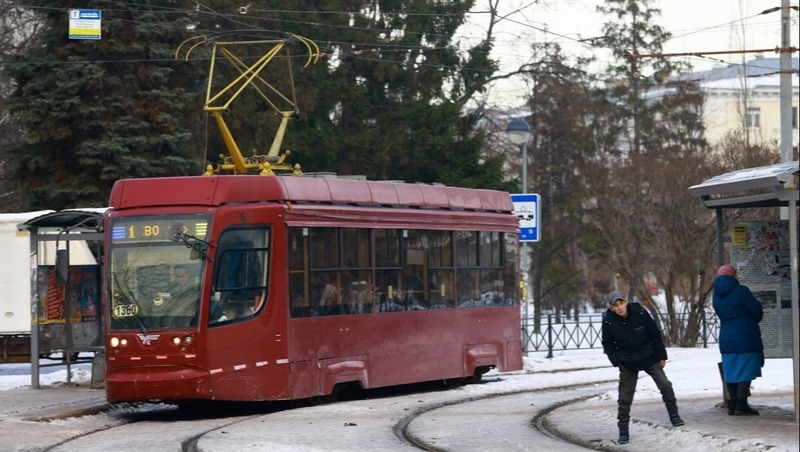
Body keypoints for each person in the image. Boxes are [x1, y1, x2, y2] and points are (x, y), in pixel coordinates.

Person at [602, 290, 684, 444]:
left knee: (665, 384)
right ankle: (623, 432)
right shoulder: (609, 321)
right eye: (615, 305)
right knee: (624, 397)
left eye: (621, 303)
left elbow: (654, 333)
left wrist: (661, 356)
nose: (619, 308)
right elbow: (607, 343)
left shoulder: (639, 312)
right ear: (611, 308)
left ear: (626, 302)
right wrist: (617, 361)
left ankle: (674, 415)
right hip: (627, 362)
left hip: (648, 356)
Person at [712, 264, 764, 416]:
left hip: (727, 335)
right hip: (745, 335)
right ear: (733, 276)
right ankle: (742, 405)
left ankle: (732, 405)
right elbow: (756, 311)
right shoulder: (741, 290)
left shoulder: (716, 294)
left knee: (732, 371)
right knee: (745, 371)